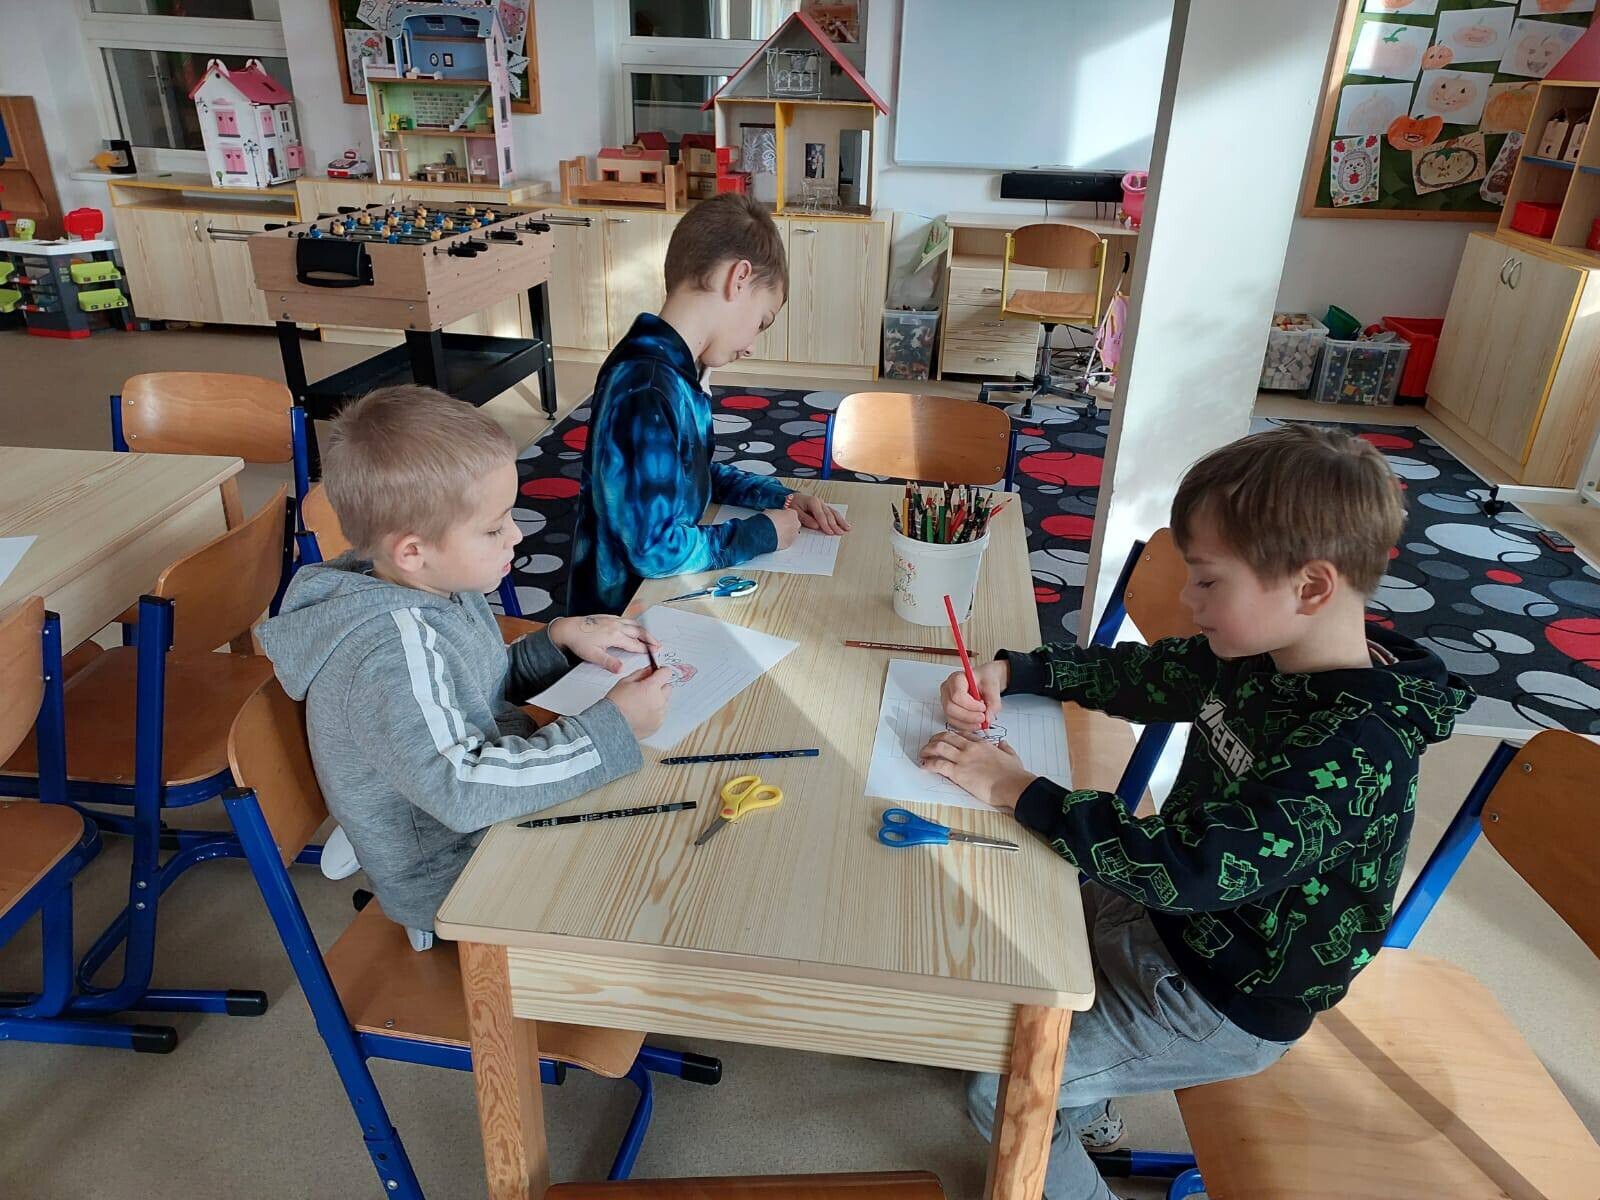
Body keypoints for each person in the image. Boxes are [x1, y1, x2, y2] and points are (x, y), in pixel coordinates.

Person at [919, 426, 1472, 1199]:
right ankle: (1090, 1109)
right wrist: (1022, 671)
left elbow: (1192, 868)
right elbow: (1153, 674)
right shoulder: (1267, 649)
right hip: (1167, 915)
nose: (1188, 599)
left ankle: (1072, 1129)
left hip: (1223, 993)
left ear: (1311, 588)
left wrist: (1019, 789)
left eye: (1208, 582)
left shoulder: (1355, 748)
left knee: (1002, 1090)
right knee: (1009, 907)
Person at [260, 386, 674, 949]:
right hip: (454, 878)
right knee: (658, 868)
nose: (517, 535)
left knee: (660, 803)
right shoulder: (389, 654)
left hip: (478, 816)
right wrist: (613, 729)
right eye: (494, 527)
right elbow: (464, 788)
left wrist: (556, 641)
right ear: (413, 551)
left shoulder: (437, 585)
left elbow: (475, 686)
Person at [568, 192, 848, 615]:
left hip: (656, 597)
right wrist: (759, 535)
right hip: (623, 616)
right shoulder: (648, 388)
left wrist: (781, 498)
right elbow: (653, 550)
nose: (752, 346)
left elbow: (692, 475)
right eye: (762, 321)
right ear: (739, 278)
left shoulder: (676, 371)